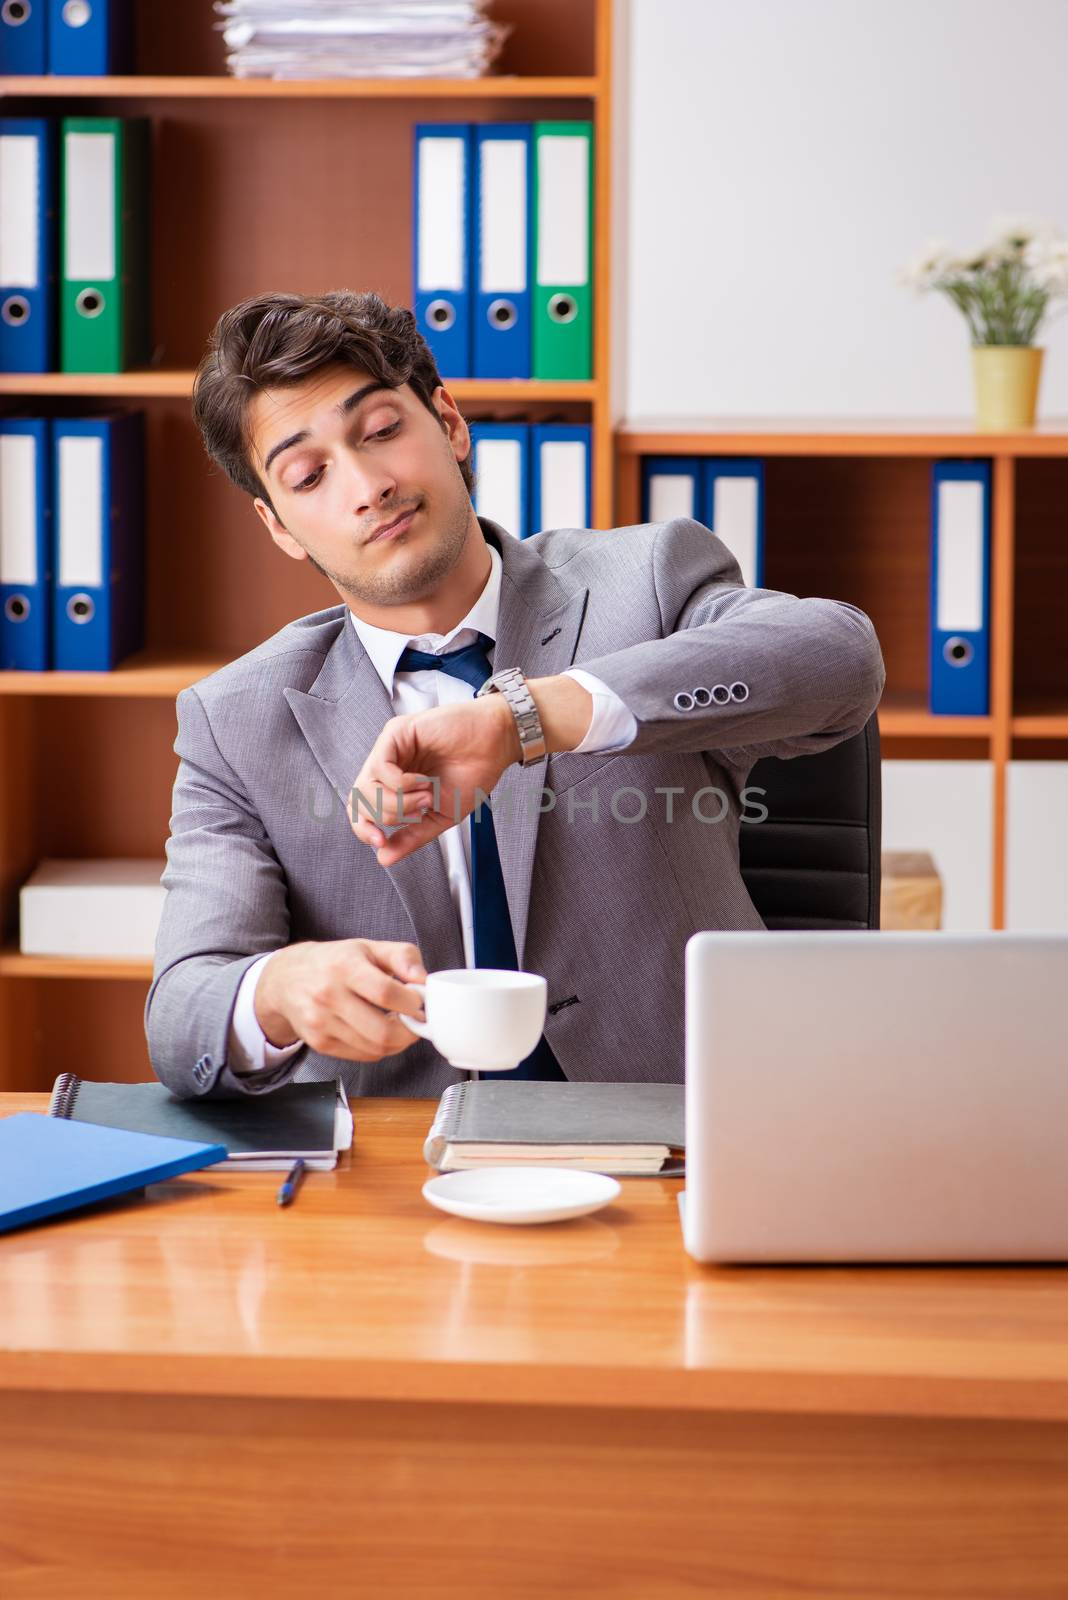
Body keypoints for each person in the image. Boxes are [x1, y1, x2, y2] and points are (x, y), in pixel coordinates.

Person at [145, 289, 885, 1099]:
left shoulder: (648, 581)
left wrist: (528, 717)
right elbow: (181, 1020)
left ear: (450, 423)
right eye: (309, 474)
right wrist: (278, 993)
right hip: (409, 1176)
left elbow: (839, 658)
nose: (366, 486)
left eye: (383, 431)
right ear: (280, 525)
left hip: (678, 1135)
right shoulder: (235, 722)